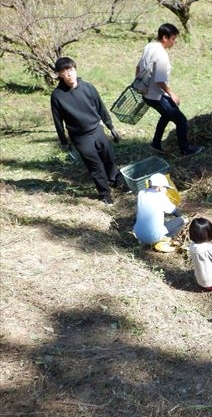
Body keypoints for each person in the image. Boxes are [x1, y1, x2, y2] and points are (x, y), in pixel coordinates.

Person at [50, 57, 126, 205]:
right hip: (80, 137)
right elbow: (57, 121)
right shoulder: (57, 96)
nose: (69, 74)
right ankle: (105, 193)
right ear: (59, 74)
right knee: (95, 165)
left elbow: (101, 107)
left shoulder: (87, 87)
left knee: (108, 158)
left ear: (75, 69)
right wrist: (64, 141)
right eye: (64, 72)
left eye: (71, 70)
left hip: (97, 129)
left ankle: (117, 182)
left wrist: (111, 127)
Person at [136, 23, 203, 156]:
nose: (174, 42)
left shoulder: (150, 46)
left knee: (167, 115)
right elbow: (159, 80)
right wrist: (172, 94)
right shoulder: (162, 55)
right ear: (165, 38)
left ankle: (156, 143)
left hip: (147, 94)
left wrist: (138, 84)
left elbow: (138, 67)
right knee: (181, 120)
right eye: (173, 39)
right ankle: (186, 149)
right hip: (155, 96)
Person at [133, 173, 185, 253]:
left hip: (138, 234)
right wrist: (183, 217)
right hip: (153, 237)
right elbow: (173, 210)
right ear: (160, 187)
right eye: (165, 187)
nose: (166, 189)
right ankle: (163, 242)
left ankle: (149, 241)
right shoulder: (161, 196)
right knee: (180, 221)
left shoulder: (141, 193)